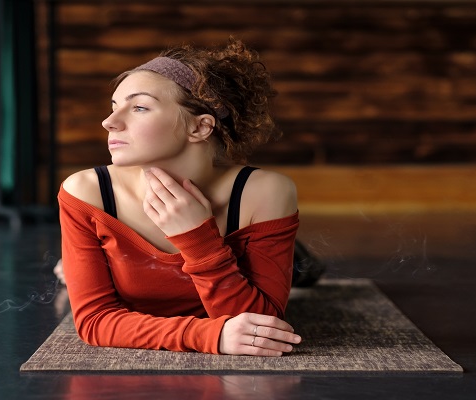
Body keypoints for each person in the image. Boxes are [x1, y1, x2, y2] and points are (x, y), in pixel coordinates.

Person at [57, 38, 302, 356]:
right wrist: (209, 336)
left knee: (306, 269)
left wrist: (199, 239)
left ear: (200, 127)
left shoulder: (264, 192)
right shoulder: (87, 193)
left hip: (271, 249)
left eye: (140, 107)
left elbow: (263, 328)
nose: (109, 123)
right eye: (115, 107)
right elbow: (94, 322)